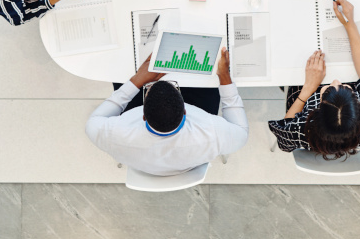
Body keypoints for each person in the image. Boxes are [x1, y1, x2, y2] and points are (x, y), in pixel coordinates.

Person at [85, 49, 249, 176]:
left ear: (143, 114)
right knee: (209, 80)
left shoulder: (115, 134)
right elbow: (241, 132)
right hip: (188, 156)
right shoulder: (212, 133)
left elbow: (94, 121)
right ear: (185, 110)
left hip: (144, 158)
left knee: (122, 70)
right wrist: (223, 75)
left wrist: (137, 80)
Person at [268, 0, 360, 158]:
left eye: (328, 90)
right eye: (346, 88)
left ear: (314, 113)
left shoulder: (304, 129)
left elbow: (284, 136)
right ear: (358, 109)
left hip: (304, 90)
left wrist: (309, 88)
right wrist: (349, 23)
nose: (335, 81)